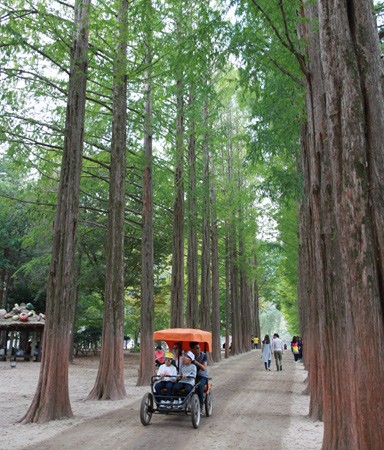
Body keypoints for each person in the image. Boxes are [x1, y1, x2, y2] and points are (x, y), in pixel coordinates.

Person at [190, 342, 208, 414]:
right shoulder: (189, 356)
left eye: (199, 347)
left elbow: (204, 368)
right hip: (191, 376)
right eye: (197, 348)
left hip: (202, 376)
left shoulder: (204, 355)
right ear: (192, 349)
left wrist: (195, 362)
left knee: (200, 387)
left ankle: (201, 406)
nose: (199, 349)